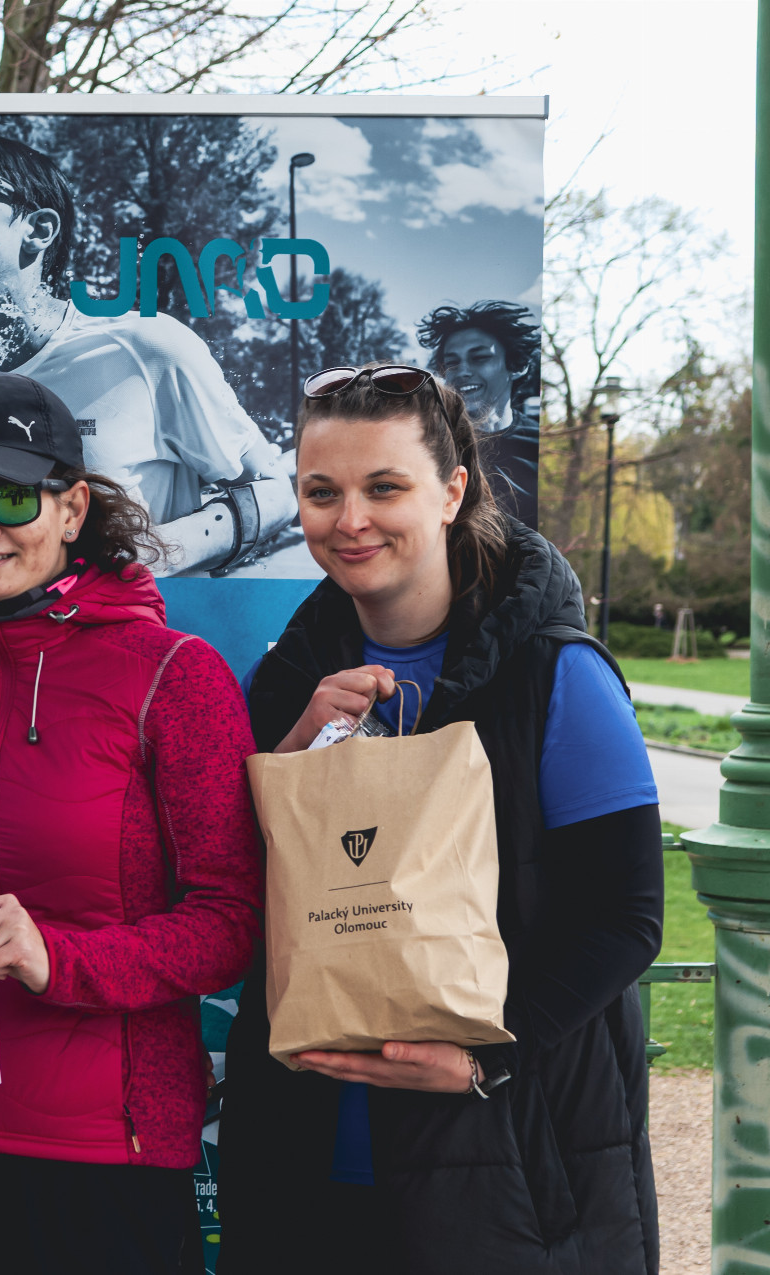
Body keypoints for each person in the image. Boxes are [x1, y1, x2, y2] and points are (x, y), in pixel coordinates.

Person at [218, 363, 662, 1274]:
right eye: (321, 492)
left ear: (453, 491)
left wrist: (481, 1057)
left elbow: (627, 918)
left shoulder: (559, 675)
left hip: (509, 1161)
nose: (350, 520)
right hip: (305, 1163)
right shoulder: (280, 681)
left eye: (385, 487)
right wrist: (291, 753)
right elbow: (230, 894)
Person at [0, 372, 265, 1273]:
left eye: (10, 496)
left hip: (99, 1160)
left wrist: (59, 957)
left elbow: (232, 922)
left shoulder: (174, 675)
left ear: (72, 507)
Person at [0, 126, 297, 576]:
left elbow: (274, 492)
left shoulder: (144, 347)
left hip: (149, 621)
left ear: (38, 230)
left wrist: (151, 555)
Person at [418, 301, 541, 526]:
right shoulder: (427, 442)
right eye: (452, 362)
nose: (462, 371)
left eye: (480, 358)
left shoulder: (539, 443)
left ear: (517, 365)